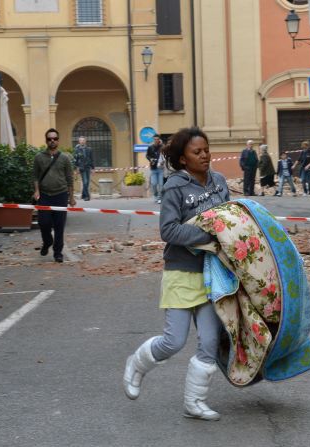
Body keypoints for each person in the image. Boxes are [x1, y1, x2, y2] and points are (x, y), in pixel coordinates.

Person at [123, 126, 230, 421]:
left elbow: (231, 218)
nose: (205, 155)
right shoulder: (175, 187)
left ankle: (194, 402)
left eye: (207, 149)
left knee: (209, 342)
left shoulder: (220, 182)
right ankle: (137, 364)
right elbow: (167, 230)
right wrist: (206, 235)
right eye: (197, 152)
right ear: (183, 159)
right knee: (174, 341)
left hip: (214, 273)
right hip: (182, 271)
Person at [33, 128, 76, 263]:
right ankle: (47, 242)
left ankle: (58, 252)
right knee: (43, 223)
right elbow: (35, 176)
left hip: (60, 195)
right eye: (49, 139)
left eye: (55, 139)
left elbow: (69, 178)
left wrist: (71, 197)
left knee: (59, 225)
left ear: (58, 140)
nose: (52, 141)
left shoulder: (65, 158)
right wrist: (36, 190)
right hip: (44, 195)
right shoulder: (39, 157)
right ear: (46, 141)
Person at [73, 136, 94, 201]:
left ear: (85, 141)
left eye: (83, 140)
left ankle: (83, 195)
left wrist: (93, 168)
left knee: (87, 183)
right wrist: (76, 168)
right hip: (81, 168)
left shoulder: (89, 149)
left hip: (88, 167)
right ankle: (87, 196)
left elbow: (92, 159)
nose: (82, 141)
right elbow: (75, 159)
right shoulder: (77, 149)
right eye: (80, 140)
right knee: (85, 182)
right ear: (79, 141)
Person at [146, 134, 164, 203]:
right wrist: (150, 159)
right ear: (153, 140)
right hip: (153, 168)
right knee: (154, 184)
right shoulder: (150, 147)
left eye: (157, 139)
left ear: (159, 140)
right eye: (155, 139)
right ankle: (155, 196)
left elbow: (165, 154)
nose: (156, 140)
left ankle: (160, 197)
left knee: (161, 184)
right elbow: (147, 155)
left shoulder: (162, 147)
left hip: (160, 169)